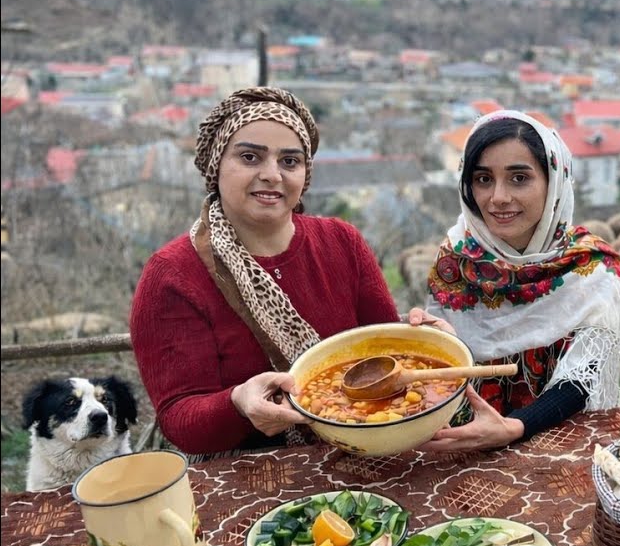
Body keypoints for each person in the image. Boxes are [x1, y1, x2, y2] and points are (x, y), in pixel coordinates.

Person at [129, 87, 439, 456]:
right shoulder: (174, 274)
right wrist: (237, 404)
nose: (272, 175)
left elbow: (386, 356)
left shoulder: (341, 242)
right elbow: (180, 419)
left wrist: (423, 341)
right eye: (250, 157)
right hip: (239, 472)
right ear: (216, 166)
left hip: (362, 445)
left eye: (290, 162)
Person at [408, 109, 620, 452]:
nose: (498, 197)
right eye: (483, 179)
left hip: (558, 436)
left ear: (553, 181)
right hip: (467, 439)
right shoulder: (455, 260)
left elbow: (581, 378)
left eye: (519, 179)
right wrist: (433, 340)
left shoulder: (591, 267)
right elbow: (449, 365)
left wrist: (516, 427)